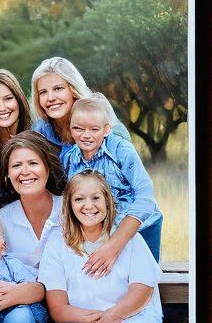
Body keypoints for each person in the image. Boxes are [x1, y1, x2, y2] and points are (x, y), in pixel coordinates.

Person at [40, 171, 166, 323]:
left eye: (96, 198)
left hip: (130, 318)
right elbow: (58, 308)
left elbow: (142, 291)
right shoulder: (56, 242)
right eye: (79, 199)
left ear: (107, 201)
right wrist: (101, 321)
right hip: (80, 321)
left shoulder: (129, 239)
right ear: (69, 205)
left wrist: (113, 317)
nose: (88, 206)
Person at [60, 95, 163, 262]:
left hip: (142, 227)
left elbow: (146, 196)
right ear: (70, 129)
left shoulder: (121, 151)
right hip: (103, 230)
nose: (86, 135)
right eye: (78, 129)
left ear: (106, 130)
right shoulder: (69, 159)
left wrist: (116, 241)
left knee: (144, 274)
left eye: (94, 129)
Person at [0, 132, 65, 276]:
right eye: (16, 165)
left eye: (33, 163)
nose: (25, 172)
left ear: (48, 168)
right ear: (7, 174)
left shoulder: (72, 210)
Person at [31, 56, 130, 152]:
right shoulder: (40, 131)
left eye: (58, 88)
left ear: (73, 89)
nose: (51, 98)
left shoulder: (103, 120)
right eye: (43, 92)